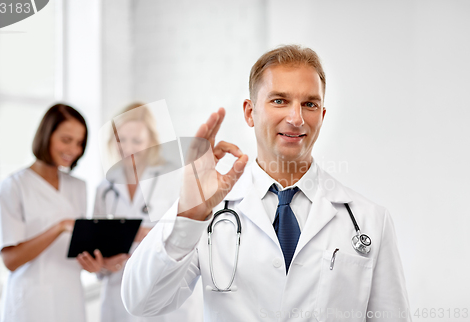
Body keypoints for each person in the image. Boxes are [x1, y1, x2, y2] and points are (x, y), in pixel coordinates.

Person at [121, 45, 411, 321]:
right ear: (250, 112)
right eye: (279, 100)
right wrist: (189, 214)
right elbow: (142, 301)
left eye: (309, 104)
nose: (296, 118)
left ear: (321, 117)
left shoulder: (369, 220)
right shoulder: (205, 212)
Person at [93, 103, 203, 322]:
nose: (128, 148)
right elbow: (98, 244)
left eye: (137, 141)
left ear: (151, 141)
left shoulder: (173, 179)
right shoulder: (105, 188)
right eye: (121, 139)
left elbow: (189, 236)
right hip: (116, 296)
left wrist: (142, 234)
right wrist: (101, 265)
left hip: (162, 296)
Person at [0, 104, 102, 322]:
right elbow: (10, 260)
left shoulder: (78, 186)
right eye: (66, 140)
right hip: (30, 301)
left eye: (79, 143)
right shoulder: (14, 186)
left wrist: (94, 264)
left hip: (70, 297)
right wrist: (59, 227)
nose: (73, 150)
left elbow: (77, 247)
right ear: (47, 136)